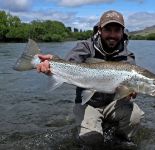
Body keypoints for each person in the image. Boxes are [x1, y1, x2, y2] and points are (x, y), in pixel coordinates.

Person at [37, 10, 144, 149]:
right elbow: (70, 62)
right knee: (91, 140)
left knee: (135, 115)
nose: (112, 35)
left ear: (122, 32)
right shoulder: (85, 47)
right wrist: (53, 64)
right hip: (88, 103)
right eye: (108, 30)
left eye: (116, 30)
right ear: (100, 30)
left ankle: (120, 140)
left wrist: (129, 93)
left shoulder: (128, 57)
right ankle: (89, 129)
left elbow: (128, 92)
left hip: (113, 104)